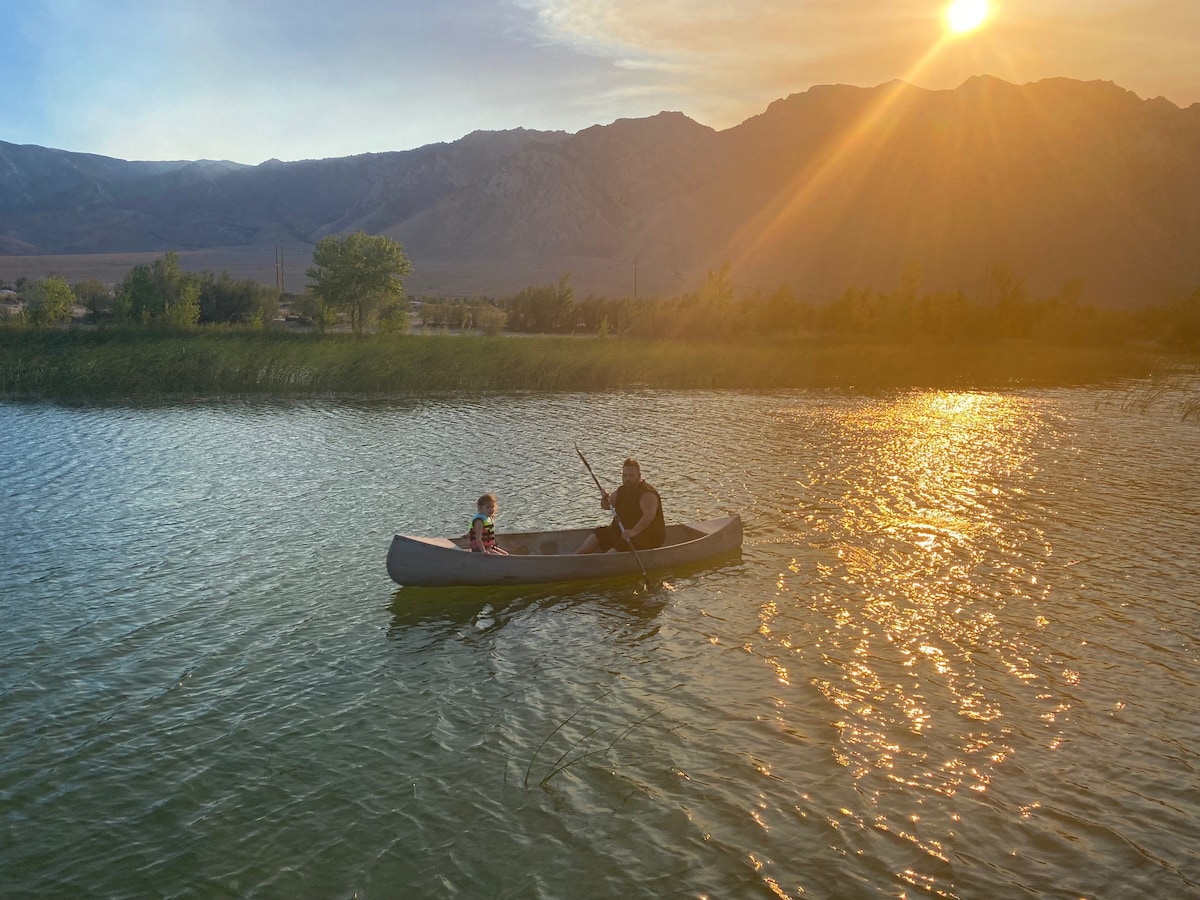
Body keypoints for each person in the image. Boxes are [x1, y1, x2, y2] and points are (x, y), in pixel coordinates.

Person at [576, 458, 665, 554]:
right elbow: (606, 506)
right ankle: (577, 555)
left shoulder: (647, 493)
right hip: (624, 532)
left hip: (645, 536)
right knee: (600, 533)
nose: (627, 479)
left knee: (622, 544)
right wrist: (605, 498)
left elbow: (649, 515)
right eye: (625, 475)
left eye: (631, 475)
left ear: (639, 476)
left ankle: (605, 562)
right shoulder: (621, 490)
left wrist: (633, 532)